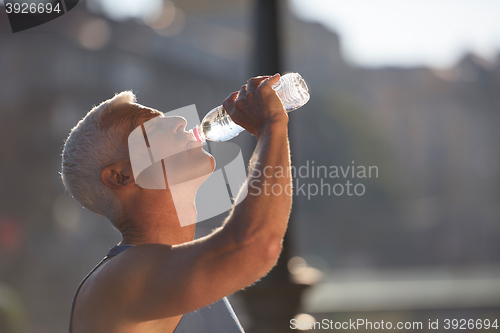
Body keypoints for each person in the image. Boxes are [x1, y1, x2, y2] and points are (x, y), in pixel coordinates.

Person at [61, 74, 293, 333]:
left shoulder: (172, 269)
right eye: (153, 128)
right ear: (122, 176)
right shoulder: (120, 279)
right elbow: (256, 245)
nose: (181, 120)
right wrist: (272, 125)